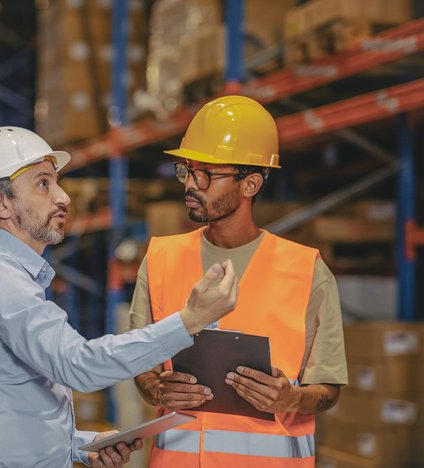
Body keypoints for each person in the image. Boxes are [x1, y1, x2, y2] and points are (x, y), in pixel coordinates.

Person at [0, 126, 239, 468]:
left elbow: (8, 402)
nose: (63, 197)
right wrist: (187, 322)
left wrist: (78, 445)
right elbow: (76, 365)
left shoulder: (8, 276)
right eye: (43, 183)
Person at [130, 95, 348, 467]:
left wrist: (291, 399)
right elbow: (140, 367)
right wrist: (156, 388)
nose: (190, 185)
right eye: (187, 170)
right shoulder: (160, 260)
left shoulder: (306, 270)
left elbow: (328, 389)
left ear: (250, 185)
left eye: (206, 174)